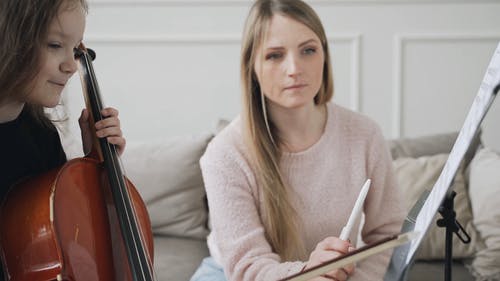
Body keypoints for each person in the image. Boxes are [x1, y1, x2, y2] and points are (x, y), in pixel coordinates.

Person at [191, 0, 405, 280]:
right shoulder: (224, 154)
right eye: (275, 55)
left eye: (308, 50)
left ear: (324, 55)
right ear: (252, 66)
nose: (294, 68)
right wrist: (307, 273)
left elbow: (387, 233)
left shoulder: (365, 135)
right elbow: (248, 265)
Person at [0, 0, 126, 278]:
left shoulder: (41, 135)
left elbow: (63, 236)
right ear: (8, 39)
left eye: (75, 48)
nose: (71, 65)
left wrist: (98, 165)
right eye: (55, 45)